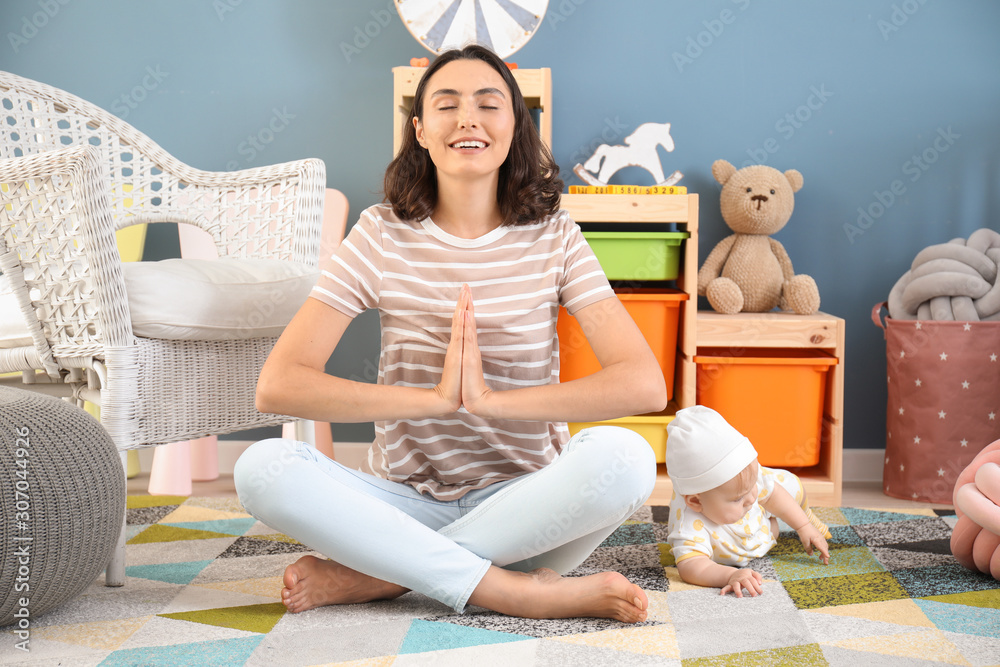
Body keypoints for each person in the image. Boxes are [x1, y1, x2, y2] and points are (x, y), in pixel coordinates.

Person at [233, 44, 668, 623]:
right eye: (447, 104)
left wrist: (494, 403)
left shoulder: (554, 235)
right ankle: (512, 592)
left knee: (629, 458)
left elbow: (644, 384)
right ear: (420, 129)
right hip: (403, 503)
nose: (468, 118)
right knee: (261, 469)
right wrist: (432, 402)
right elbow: (278, 385)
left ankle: (385, 574)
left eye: (489, 104)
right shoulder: (381, 232)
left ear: (515, 127)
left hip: (529, 508)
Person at [664, 406, 831, 597]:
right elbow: (692, 566)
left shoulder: (745, 485)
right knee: (772, 508)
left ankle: (806, 513)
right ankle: (778, 521)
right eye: (738, 498)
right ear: (695, 502)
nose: (751, 498)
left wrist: (803, 526)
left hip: (758, 526)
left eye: (752, 487)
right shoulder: (689, 522)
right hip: (733, 549)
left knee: (789, 485)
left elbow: (774, 494)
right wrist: (731, 574)